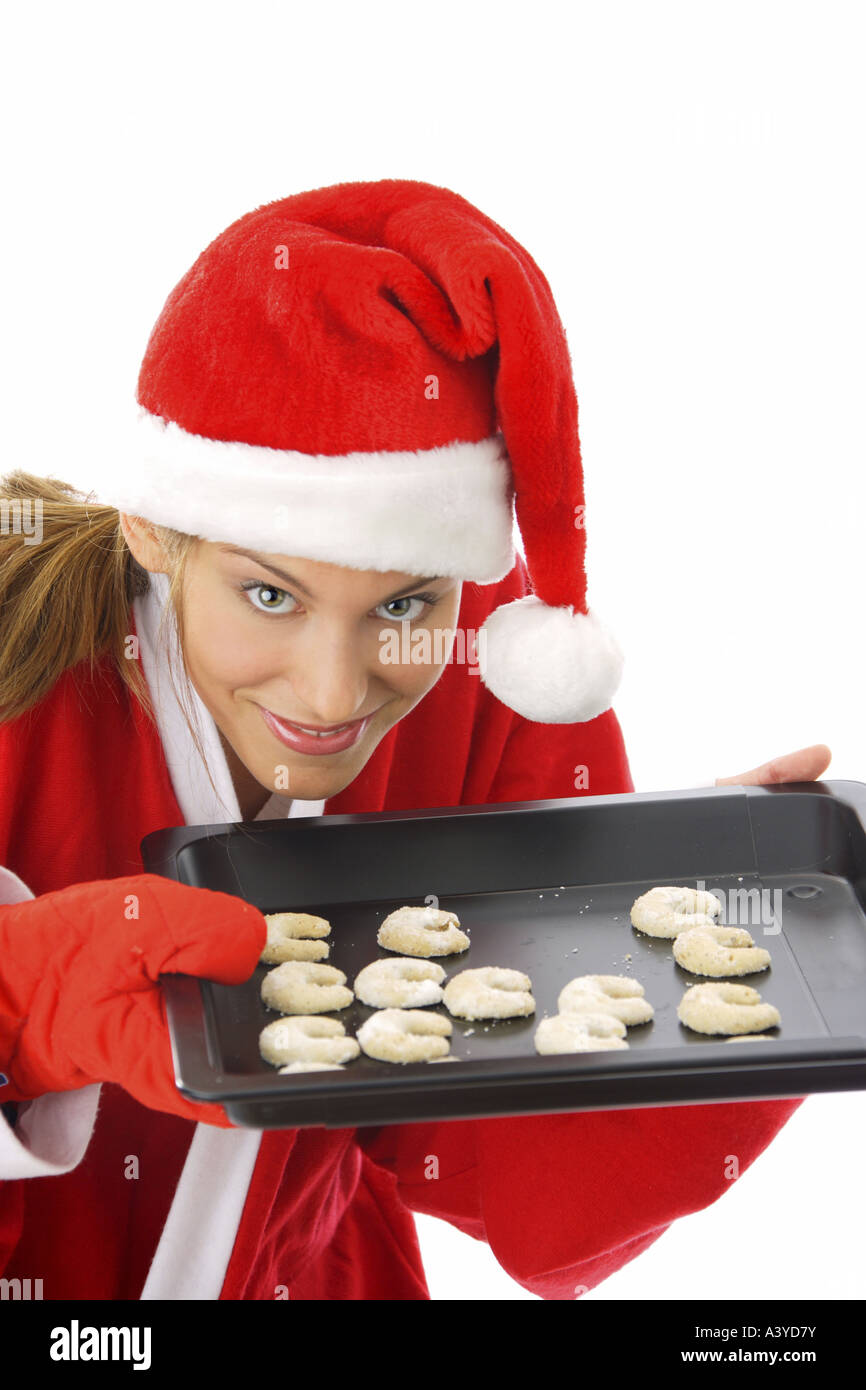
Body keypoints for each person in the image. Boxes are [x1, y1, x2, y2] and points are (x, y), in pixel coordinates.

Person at [0, 179, 831, 1300]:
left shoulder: (493, 672)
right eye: (267, 595)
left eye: (404, 604)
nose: (333, 692)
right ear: (155, 524)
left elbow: (527, 1174)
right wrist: (22, 1001)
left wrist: (736, 977)